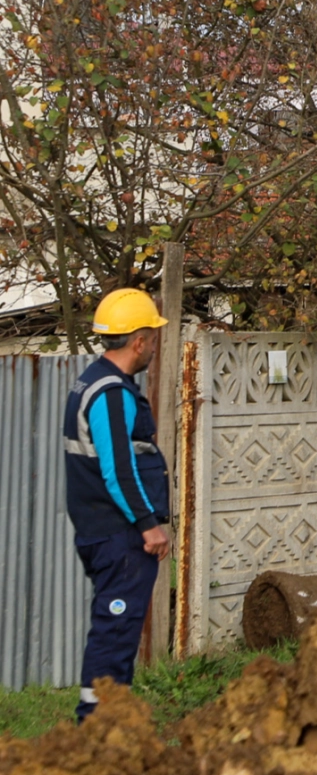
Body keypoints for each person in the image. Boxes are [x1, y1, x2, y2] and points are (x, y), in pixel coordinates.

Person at [64, 288, 172, 721]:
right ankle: (96, 728)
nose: (153, 347)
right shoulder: (111, 393)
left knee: (117, 627)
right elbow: (117, 470)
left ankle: (112, 719)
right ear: (139, 342)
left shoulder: (91, 379)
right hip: (119, 535)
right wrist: (149, 525)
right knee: (115, 629)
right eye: (152, 338)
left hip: (103, 530)